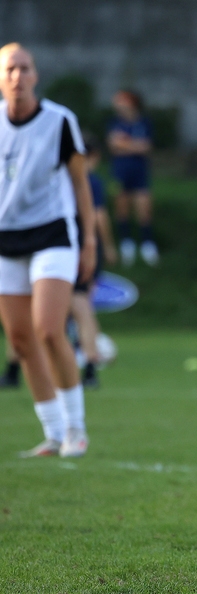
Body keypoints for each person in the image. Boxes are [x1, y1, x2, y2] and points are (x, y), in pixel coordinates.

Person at [0, 43, 96, 457]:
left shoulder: (59, 121)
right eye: (10, 69)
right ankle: (54, 433)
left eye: (25, 68)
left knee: (47, 329)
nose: (18, 76)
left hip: (53, 234)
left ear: (35, 76)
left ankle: (76, 429)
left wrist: (89, 239)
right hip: (7, 240)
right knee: (20, 340)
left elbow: (80, 184)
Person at [70, 136, 118, 388]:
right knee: (81, 304)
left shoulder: (79, 180)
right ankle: (89, 359)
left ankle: (88, 360)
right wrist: (107, 246)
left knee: (79, 304)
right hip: (85, 250)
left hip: (74, 250)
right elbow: (100, 218)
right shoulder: (91, 180)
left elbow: (97, 216)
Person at [107, 89, 156, 266]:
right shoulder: (115, 123)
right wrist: (134, 145)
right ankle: (127, 244)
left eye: (122, 101)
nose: (118, 104)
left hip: (140, 171)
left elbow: (146, 147)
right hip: (120, 171)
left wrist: (124, 144)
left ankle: (147, 244)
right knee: (121, 208)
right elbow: (113, 146)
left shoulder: (144, 123)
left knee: (144, 208)